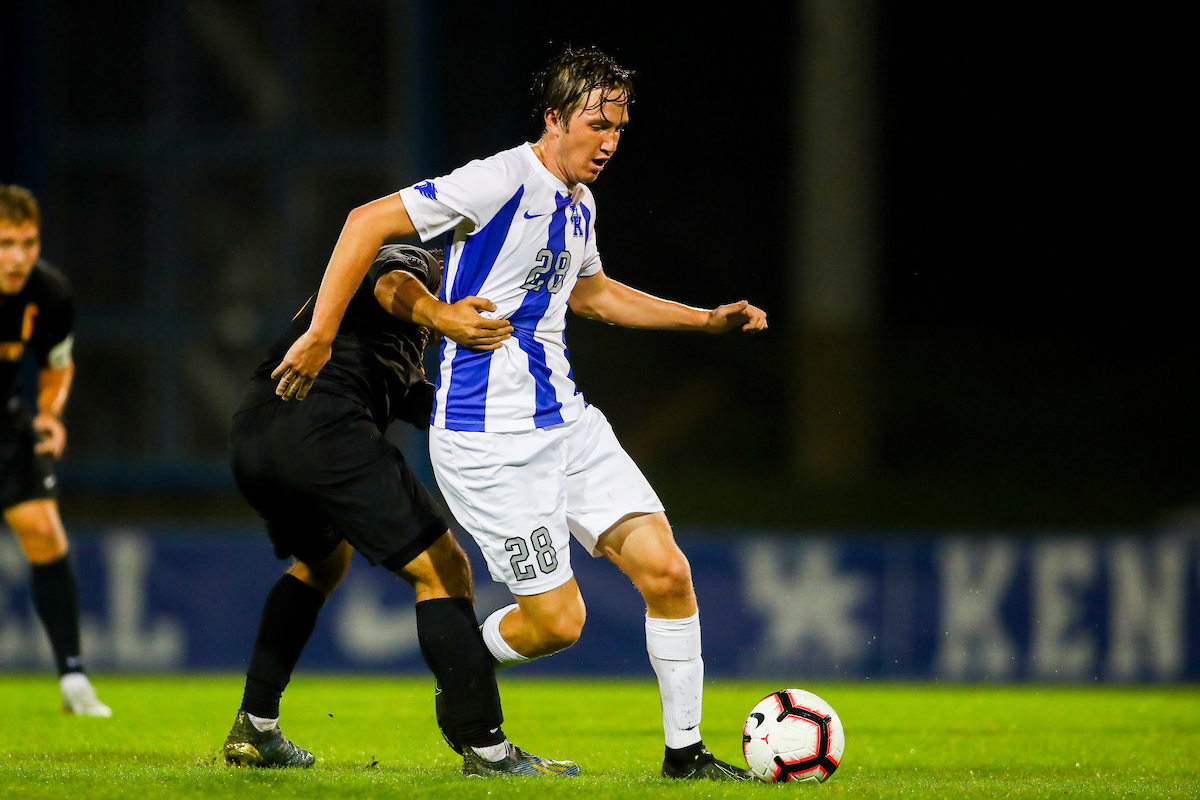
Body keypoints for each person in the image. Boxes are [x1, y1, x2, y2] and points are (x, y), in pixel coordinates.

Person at [272, 46, 768, 781]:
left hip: (568, 424)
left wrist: (703, 321)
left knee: (668, 573)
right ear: (554, 118)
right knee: (559, 625)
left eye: (620, 129)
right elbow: (365, 222)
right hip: (490, 442)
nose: (609, 142)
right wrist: (320, 334)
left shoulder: (579, 204)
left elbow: (593, 295)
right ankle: (465, 676)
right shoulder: (500, 180)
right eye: (597, 124)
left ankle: (685, 757)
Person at [222, 242, 578, 777]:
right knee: (444, 569)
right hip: (324, 425)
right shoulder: (416, 260)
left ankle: (256, 725)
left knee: (322, 564)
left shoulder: (374, 333)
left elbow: (416, 399)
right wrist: (442, 314)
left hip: (256, 435)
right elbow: (392, 280)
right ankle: (487, 749)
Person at [0, 184, 110, 717]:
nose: (18, 256)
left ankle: (72, 677)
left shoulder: (49, 292)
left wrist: (49, 414)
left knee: (44, 532)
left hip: (6, 423)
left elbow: (56, 365)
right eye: (5, 243)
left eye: (27, 241)